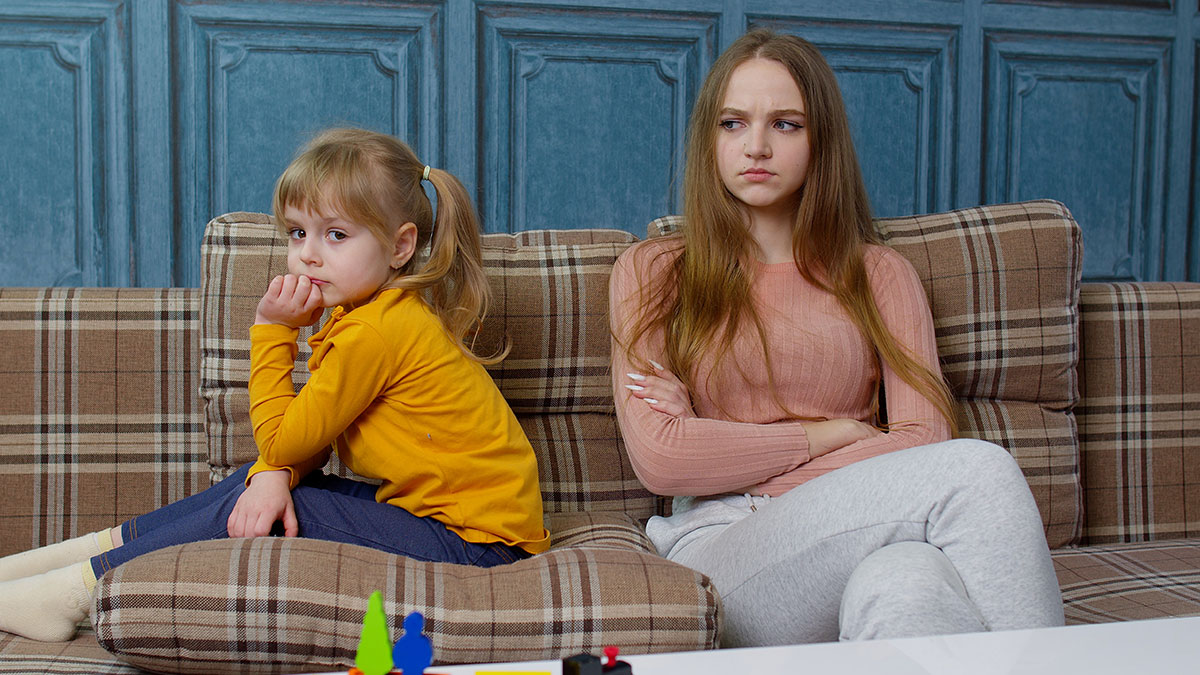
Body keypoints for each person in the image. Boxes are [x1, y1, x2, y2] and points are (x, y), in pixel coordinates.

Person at [0, 127, 550, 642]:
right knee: (260, 483)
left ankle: (74, 593)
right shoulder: (369, 316)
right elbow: (304, 443)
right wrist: (273, 473)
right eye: (297, 232)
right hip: (447, 525)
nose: (308, 253)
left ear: (400, 246)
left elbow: (283, 441)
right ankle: (64, 565)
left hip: (479, 548)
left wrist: (273, 331)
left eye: (336, 234)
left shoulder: (377, 333)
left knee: (277, 502)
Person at [609, 29, 1064, 647]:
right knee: (979, 473)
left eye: (786, 124)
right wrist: (826, 435)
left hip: (860, 528)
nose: (758, 146)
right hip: (724, 550)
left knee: (905, 584)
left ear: (820, 137)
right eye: (734, 123)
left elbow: (924, 436)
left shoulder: (879, 274)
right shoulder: (654, 270)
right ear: (709, 138)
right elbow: (663, 458)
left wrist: (722, 449)